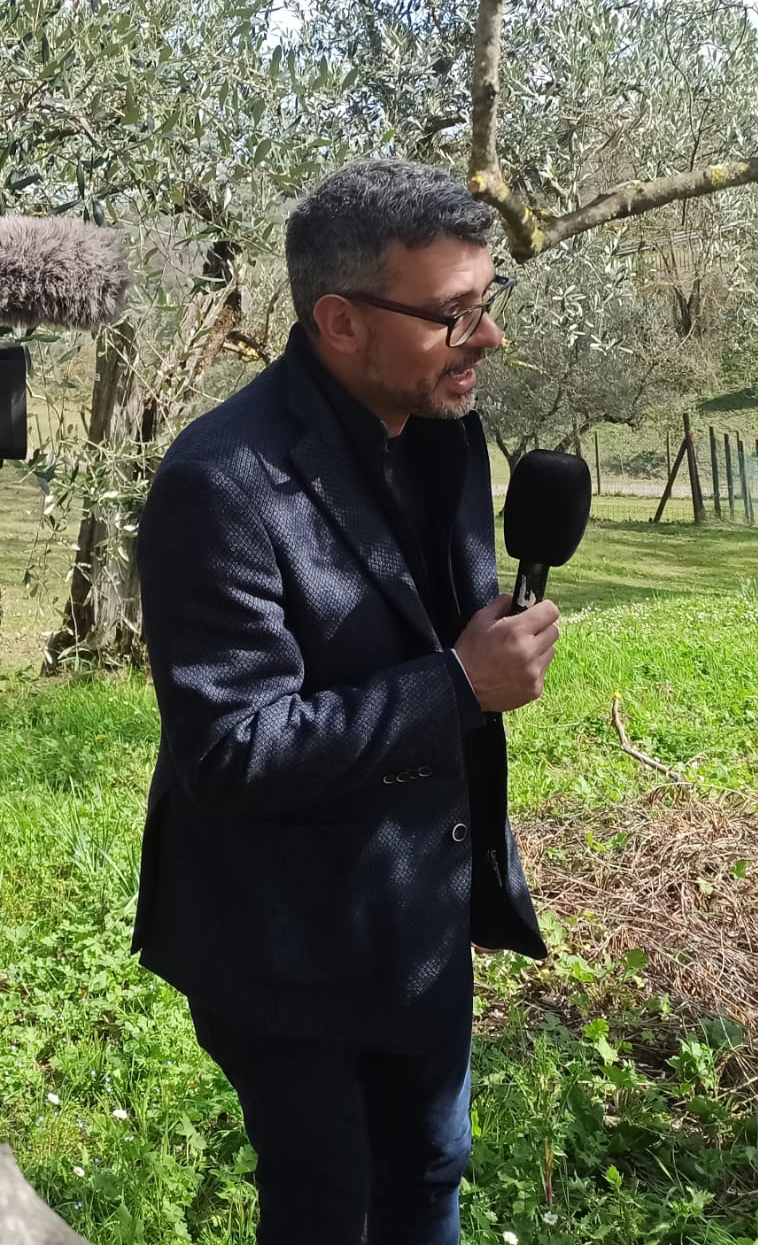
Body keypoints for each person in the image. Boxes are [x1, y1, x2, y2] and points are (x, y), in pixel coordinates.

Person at [133, 158, 561, 1245]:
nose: (487, 337)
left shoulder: (448, 431)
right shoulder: (220, 481)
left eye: (488, 301)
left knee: (427, 1175)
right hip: (284, 942)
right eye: (451, 313)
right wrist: (458, 684)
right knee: (331, 1208)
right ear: (338, 320)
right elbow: (230, 751)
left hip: (416, 912)